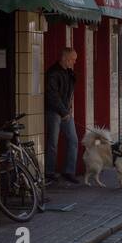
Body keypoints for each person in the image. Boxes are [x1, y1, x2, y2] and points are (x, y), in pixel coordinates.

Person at [44, 47, 79, 184]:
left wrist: (67, 111)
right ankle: (49, 172)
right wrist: (64, 112)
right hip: (54, 111)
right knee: (53, 142)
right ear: (65, 58)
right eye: (73, 59)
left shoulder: (69, 72)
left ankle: (69, 171)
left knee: (73, 140)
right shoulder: (53, 73)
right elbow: (52, 95)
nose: (75, 62)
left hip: (65, 111)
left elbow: (68, 94)